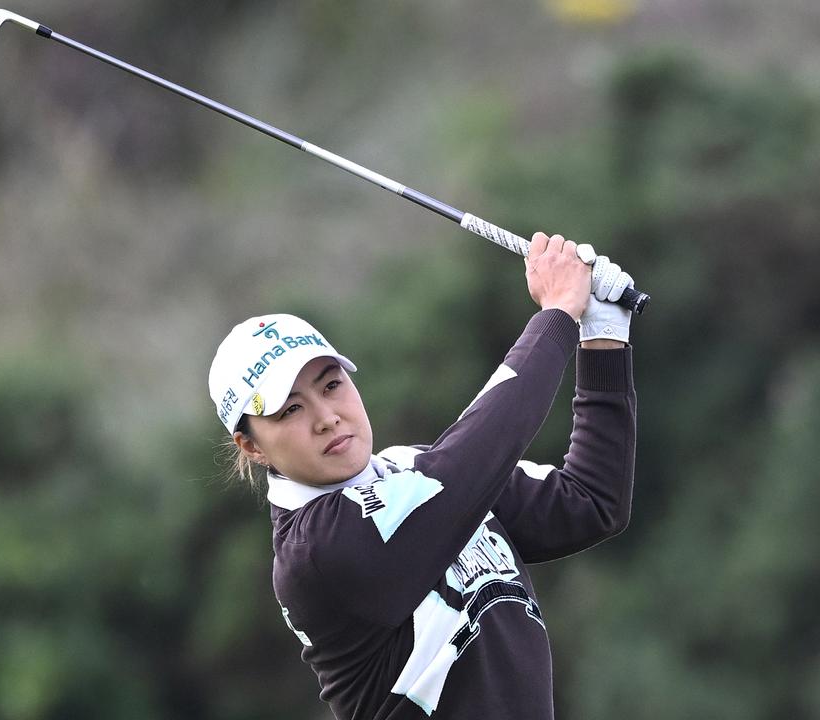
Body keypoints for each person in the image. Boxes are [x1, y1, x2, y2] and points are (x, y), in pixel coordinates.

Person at [206, 233, 637, 720]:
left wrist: (603, 337)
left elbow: (590, 504)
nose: (327, 417)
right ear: (252, 446)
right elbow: (474, 455)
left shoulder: (411, 468)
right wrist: (556, 314)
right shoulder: (315, 551)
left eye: (331, 385)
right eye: (290, 411)